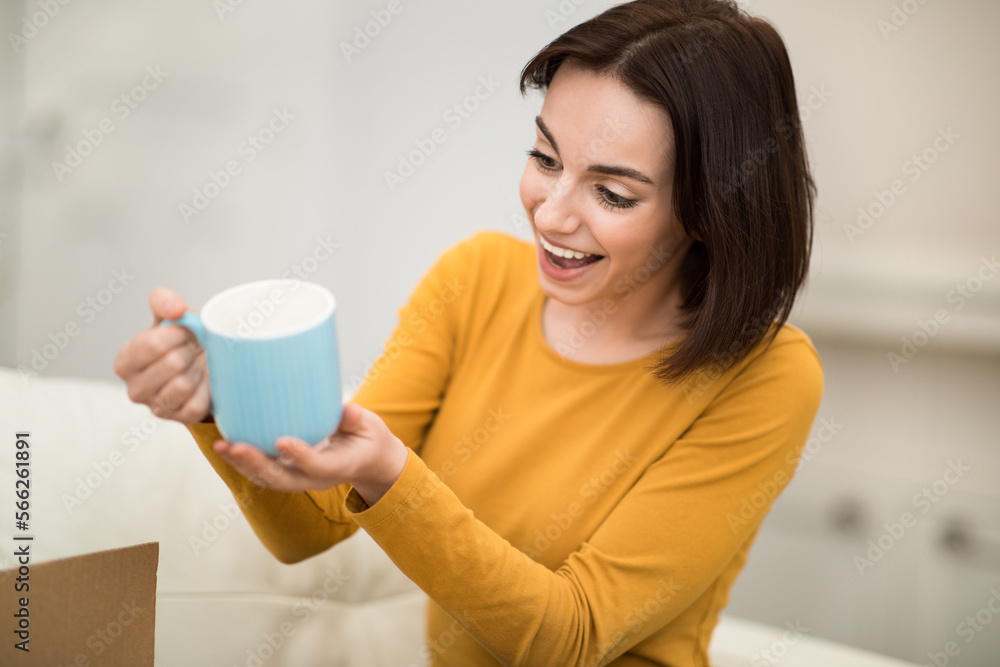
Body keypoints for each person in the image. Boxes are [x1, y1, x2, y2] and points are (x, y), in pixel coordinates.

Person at [114, 0, 823, 664]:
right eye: (545, 159)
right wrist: (216, 401)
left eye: (611, 192)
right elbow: (308, 528)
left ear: (712, 209)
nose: (550, 214)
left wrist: (391, 475)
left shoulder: (768, 376)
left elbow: (570, 636)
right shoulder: (475, 277)